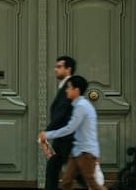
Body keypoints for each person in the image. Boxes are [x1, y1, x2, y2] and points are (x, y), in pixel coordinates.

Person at [40, 75, 101, 190]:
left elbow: (70, 128)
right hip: (77, 152)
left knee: (92, 184)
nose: (66, 90)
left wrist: (47, 135)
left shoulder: (81, 107)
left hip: (85, 152)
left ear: (76, 90)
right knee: (66, 182)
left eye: (69, 87)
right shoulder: (77, 105)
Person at [44, 56, 75, 190]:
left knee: (55, 166)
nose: (55, 69)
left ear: (68, 69)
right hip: (63, 135)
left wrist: (47, 132)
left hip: (67, 136)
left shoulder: (69, 87)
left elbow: (62, 112)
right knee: (55, 166)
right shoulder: (65, 86)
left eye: (59, 66)